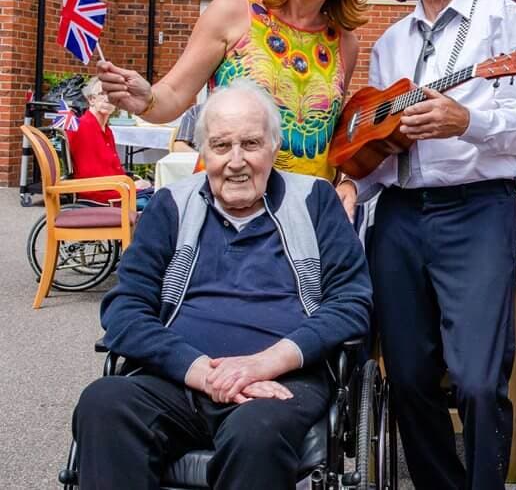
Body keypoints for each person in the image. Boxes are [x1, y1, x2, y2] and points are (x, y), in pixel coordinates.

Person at [70, 80, 372, 489]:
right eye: (221, 145)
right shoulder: (170, 206)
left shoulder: (314, 201)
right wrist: (200, 372)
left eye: (250, 143)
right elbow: (124, 310)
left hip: (280, 384)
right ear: (203, 153)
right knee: (104, 403)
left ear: (273, 147)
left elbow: (351, 303)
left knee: (257, 432)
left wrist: (264, 363)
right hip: (177, 378)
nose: (236, 161)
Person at [356, 0, 516, 489]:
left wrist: (466, 119)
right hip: (399, 214)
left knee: (480, 379)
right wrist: (351, 179)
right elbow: (374, 137)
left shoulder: (498, 17)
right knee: (407, 375)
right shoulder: (388, 40)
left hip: (476, 208)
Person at [97, 0, 371, 205]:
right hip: (229, 207)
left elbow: (335, 137)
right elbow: (172, 96)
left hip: (308, 212)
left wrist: (348, 181)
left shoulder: (344, 43)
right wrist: (146, 99)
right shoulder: (232, 14)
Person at [66, 77, 152, 207]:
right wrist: (130, 185)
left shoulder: (107, 130)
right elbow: (91, 175)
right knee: (161, 204)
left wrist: (131, 183)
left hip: (117, 189)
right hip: (101, 195)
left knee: (160, 194)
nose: (107, 99)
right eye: (101, 94)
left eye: (111, 95)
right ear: (91, 100)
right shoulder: (82, 126)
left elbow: (113, 168)